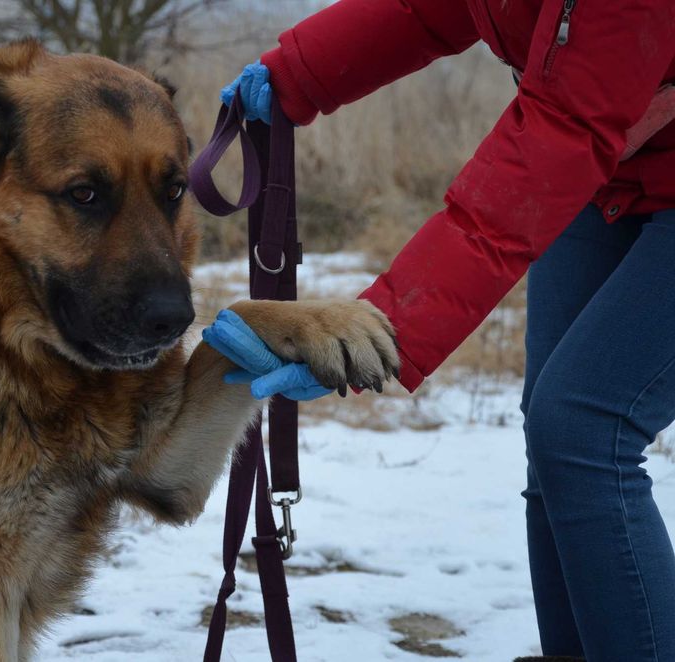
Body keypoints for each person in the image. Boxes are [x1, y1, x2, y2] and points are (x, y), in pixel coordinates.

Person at [204, 2, 675, 661]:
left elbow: (556, 140)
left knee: (584, 429)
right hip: (619, 161)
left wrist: (373, 332)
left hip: (596, 142)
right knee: (555, 443)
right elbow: (424, 9)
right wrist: (299, 73)